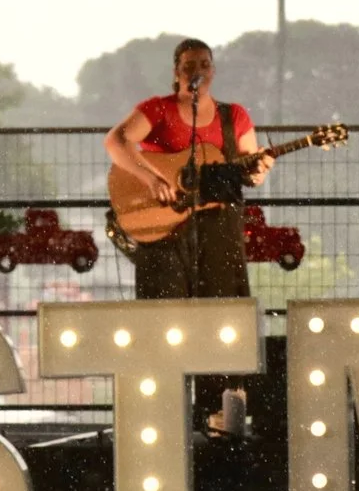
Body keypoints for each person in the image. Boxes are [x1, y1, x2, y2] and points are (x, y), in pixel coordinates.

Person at [104, 38, 273, 300]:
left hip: (219, 231)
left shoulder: (234, 116)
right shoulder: (159, 109)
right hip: (165, 228)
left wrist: (261, 166)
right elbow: (115, 141)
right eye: (189, 65)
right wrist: (152, 179)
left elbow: (252, 175)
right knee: (165, 309)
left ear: (213, 71)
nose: (198, 71)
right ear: (177, 72)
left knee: (222, 308)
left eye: (205, 64)